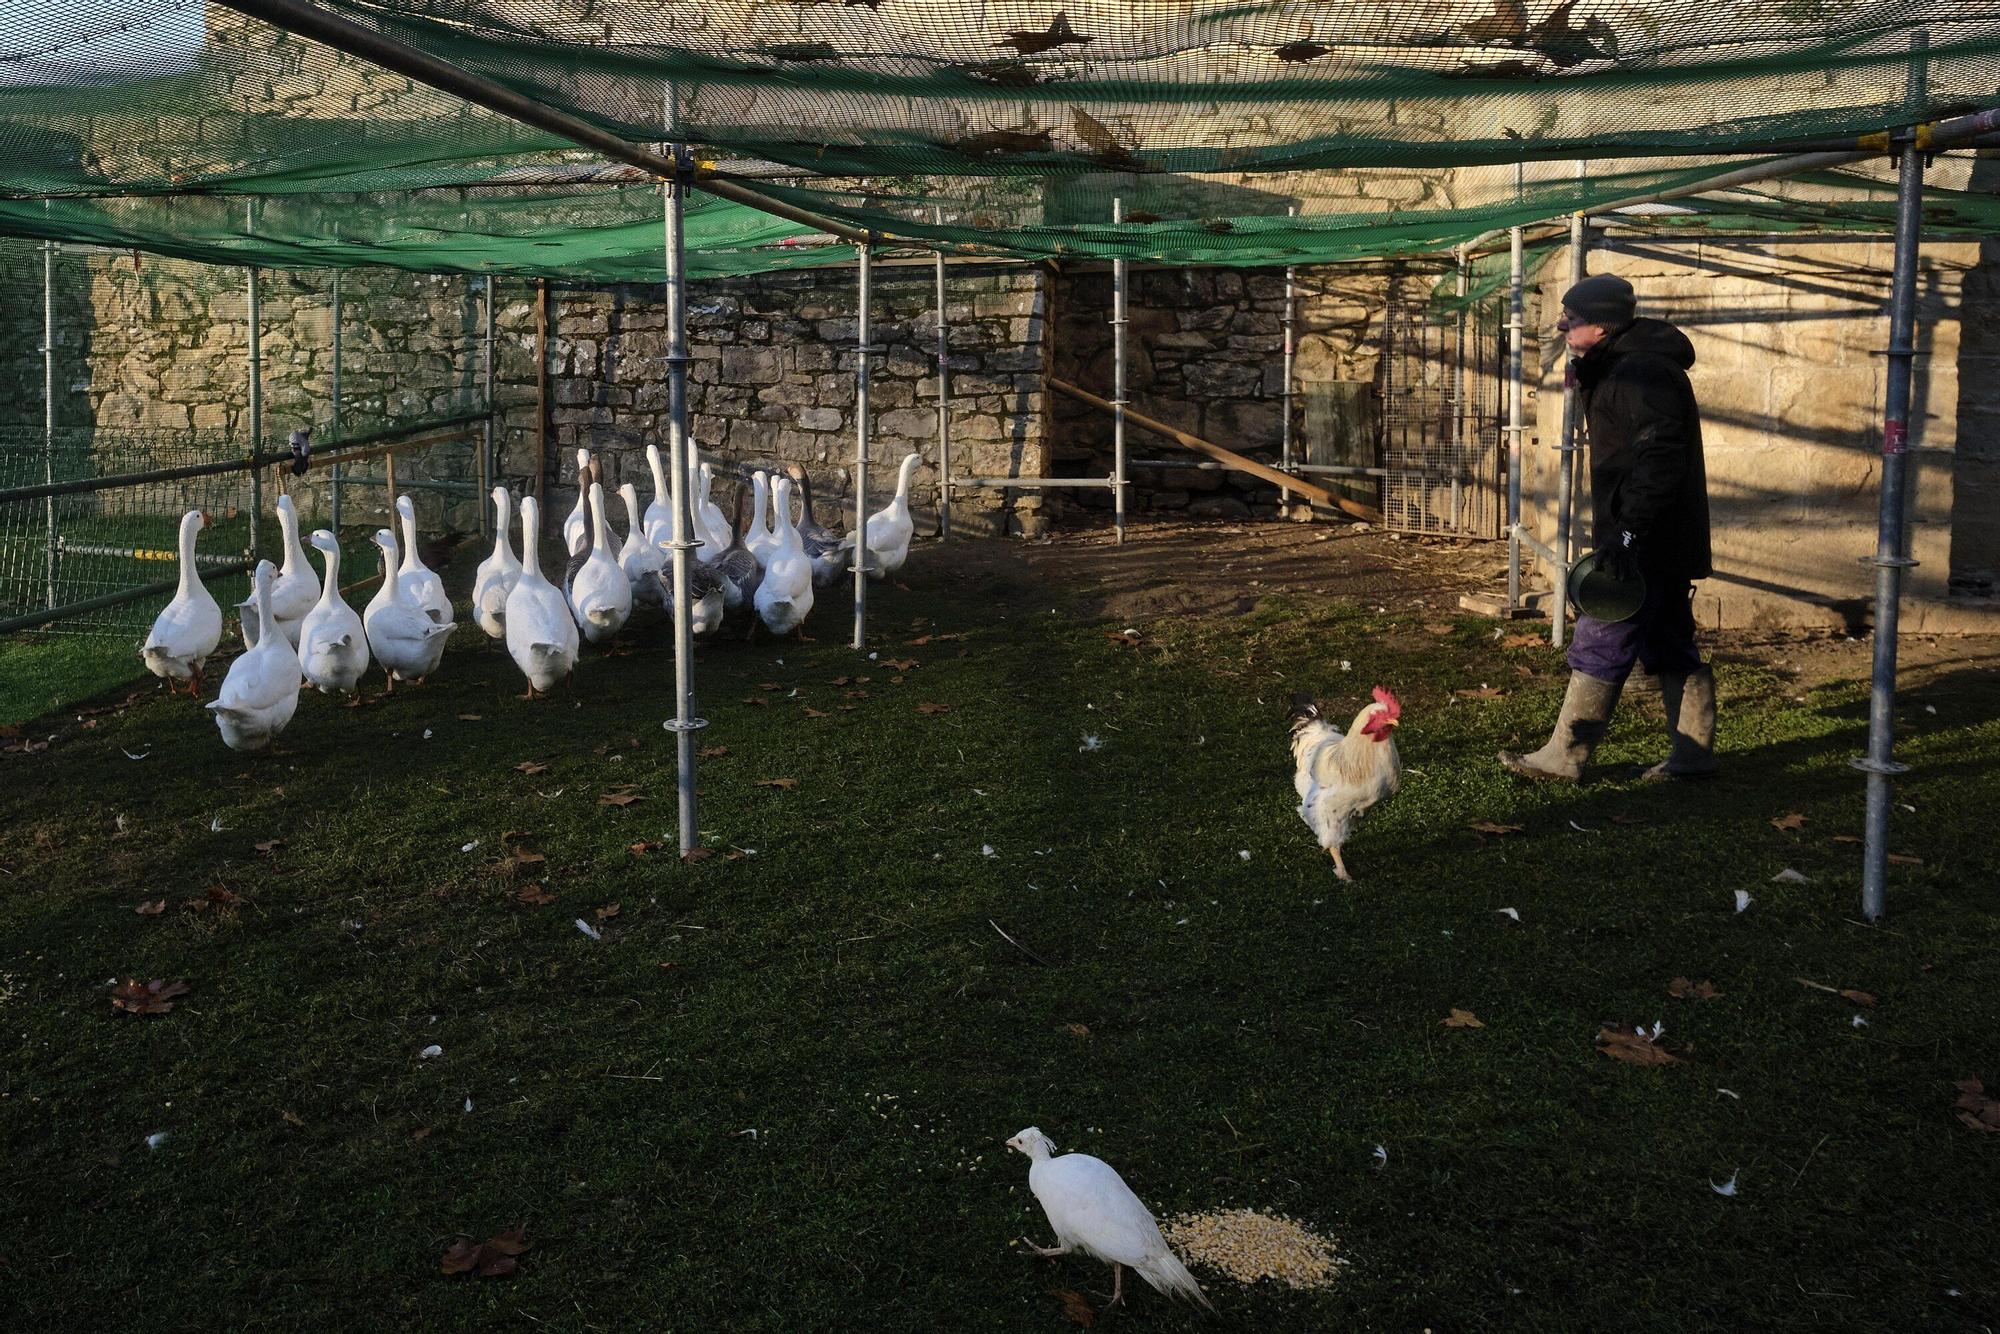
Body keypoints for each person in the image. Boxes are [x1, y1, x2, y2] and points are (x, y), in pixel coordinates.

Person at [1500, 273, 1717, 782]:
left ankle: (1565, 757)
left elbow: (1660, 458)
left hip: (1642, 540)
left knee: (1603, 631)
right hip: (1654, 536)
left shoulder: (1639, 373)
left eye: (1570, 319)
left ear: (1599, 327)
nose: (1560, 323)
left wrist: (1627, 534)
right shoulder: (1623, 365)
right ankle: (1693, 756)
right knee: (1669, 640)